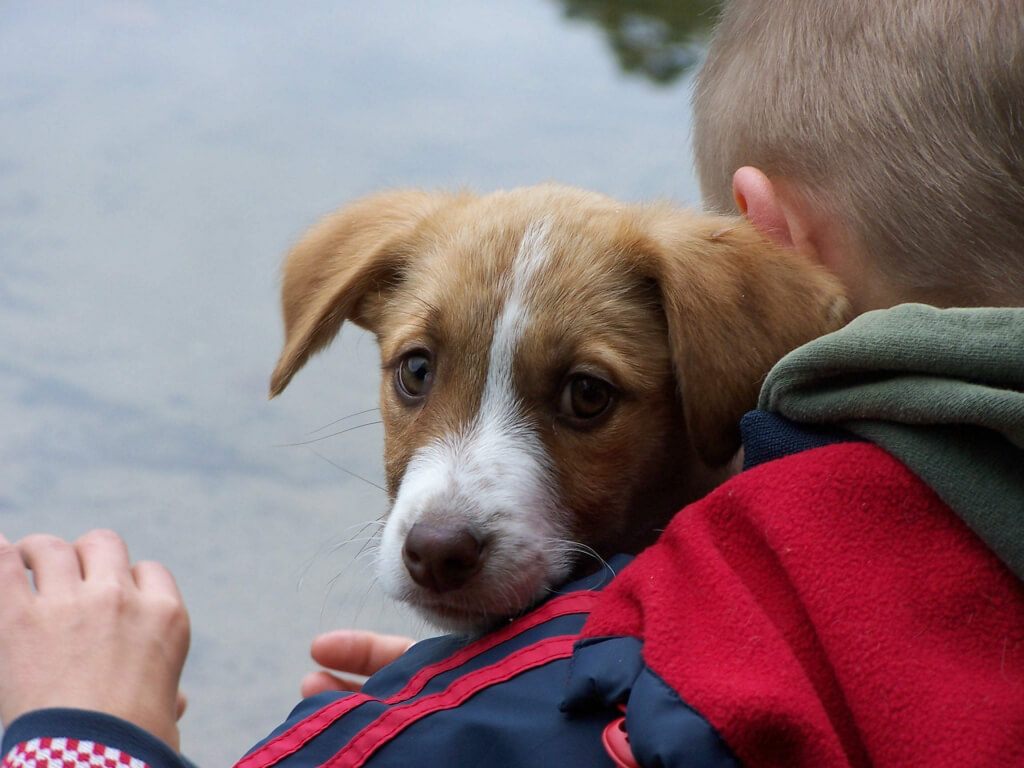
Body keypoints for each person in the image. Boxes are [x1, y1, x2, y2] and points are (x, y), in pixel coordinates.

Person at [3, 0, 1023, 765]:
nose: (445, 508)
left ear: (767, 241)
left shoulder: (649, 699)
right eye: (415, 375)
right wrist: (476, 687)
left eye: (585, 399)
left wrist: (81, 725)